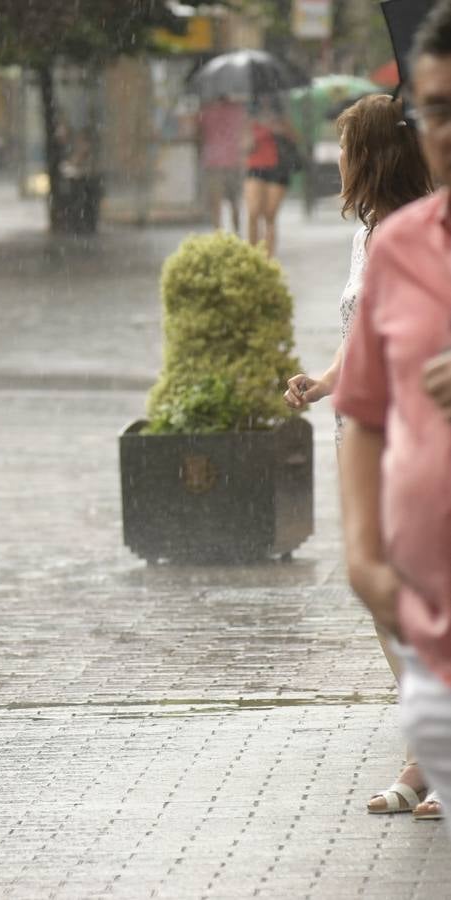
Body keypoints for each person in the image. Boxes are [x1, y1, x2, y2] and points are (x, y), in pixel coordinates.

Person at [283, 92, 436, 819]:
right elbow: (360, 333)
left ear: (370, 156)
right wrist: (322, 381)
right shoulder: (369, 233)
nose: (337, 160)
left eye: (346, 147)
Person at [335, 0, 451, 841]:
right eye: (431, 111)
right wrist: (361, 548)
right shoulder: (400, 244)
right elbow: (364, 407)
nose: (440, 131)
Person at [244, 95, 297, 256]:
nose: (265, 102)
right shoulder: (250, 120)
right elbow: (244, 146)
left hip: (278, 168)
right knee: (253, 212)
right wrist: (255, 134)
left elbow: (295, 139)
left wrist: (277, 129)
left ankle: (268, 256)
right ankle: (252, 254)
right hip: (255, 167)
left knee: (270, 214)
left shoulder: (282, 119)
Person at [198, 94, 246, 233]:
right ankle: (237, 233)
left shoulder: (206, 111)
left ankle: (218, 235)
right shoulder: (239, 111)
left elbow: (200, 134)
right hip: (234, 160)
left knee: (215, 203)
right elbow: (244, 135)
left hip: (213, 162)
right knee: (235, 201)